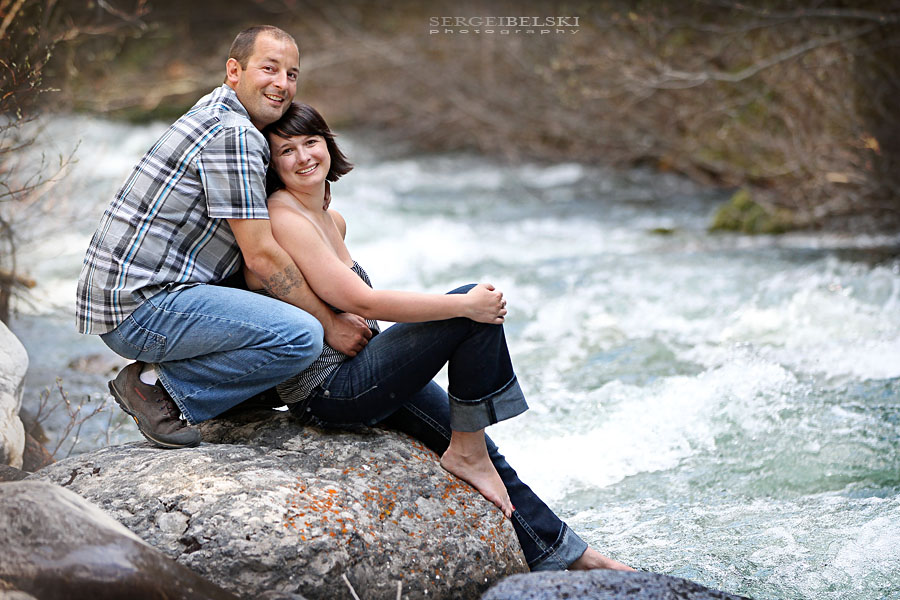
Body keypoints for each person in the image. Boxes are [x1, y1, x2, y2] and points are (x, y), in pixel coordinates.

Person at [259, 101, 634, 572]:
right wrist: (462, 306)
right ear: (272, 165)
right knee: (470, 308)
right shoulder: (284, 216)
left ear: (327, 143)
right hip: (328, 391)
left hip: (360, 369)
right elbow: (363, 303)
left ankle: (574, 557)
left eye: (310, 142)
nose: (303, 157)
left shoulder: (332, 219)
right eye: (286, 151)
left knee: (481, 448)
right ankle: (470, 453)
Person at [75, 26, 372, 449]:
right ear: (234, 70)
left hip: (135, 294)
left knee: (285, 311)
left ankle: (223, 395)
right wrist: (330, 325)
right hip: (143, 305)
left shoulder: (215, 111)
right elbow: (262, 258)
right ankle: (154, 386)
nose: (282, 83)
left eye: (292, 74)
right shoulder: (234, 134)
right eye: (269, 68)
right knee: (301, 335)